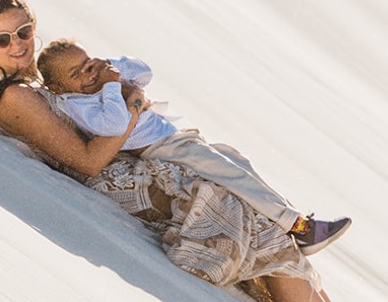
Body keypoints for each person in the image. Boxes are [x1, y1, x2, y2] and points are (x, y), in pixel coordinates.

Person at [0, 0, 388, 302]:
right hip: (120, 185)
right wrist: (130, 108)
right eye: (3, 39)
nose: (18, 44)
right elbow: (86, 162)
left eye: (23, 31)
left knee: (257, 211)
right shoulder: (16, 99)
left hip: (141, 170)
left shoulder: (45, 80)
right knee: (242, 212)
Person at [37, 40, 350, 255]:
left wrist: (113, 69)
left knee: (237, 163)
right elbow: (115, 125)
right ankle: (299, 227)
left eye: (89, 64)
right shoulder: (80, 105)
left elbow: (144, 72)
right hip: (162, 148)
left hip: (176, 139)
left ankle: (285, 223)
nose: (90, 74)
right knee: (232, 175)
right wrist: (112, 85)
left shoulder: (102, 79)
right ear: (58, 88)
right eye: (77, 74)